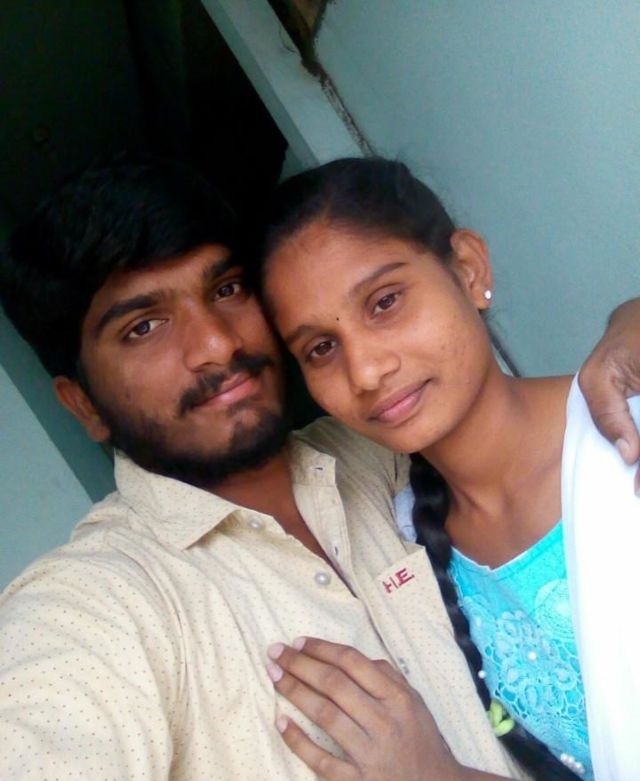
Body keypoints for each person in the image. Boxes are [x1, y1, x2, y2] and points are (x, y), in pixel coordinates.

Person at [0, 158, 636, 781]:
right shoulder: (97, 606)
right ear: (83, 405)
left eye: (225, 290)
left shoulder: (379, 450)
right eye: (144, 327)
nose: (217, 343)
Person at [256, 157, 640, 781]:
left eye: (384, 302)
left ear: (468, 269)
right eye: (320, 348)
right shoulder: (413, 554)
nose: (366, 371)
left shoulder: (626, 437)